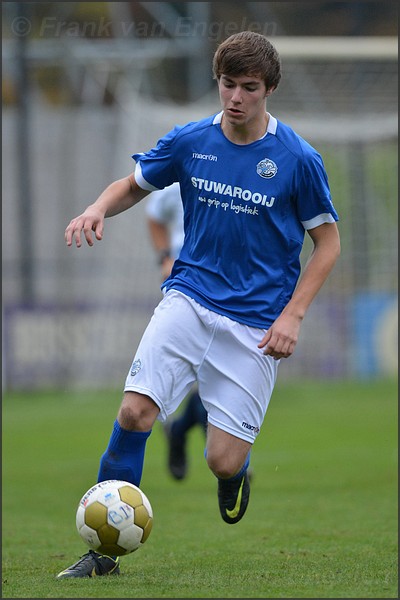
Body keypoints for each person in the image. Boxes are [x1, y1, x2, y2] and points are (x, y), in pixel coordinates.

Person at [57, 31, 340, 579]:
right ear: (219, 82)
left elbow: (327, 243)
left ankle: (235, 470)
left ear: (269, 90)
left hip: (256, 325)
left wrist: (293, 315)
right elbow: (135, 186)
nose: (236, 97)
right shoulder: (191, 141)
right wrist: (96, 207)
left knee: (221, 459)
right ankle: (104, 555)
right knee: (135, 411)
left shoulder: (297, 159)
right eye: (228, 84)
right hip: (188, 299)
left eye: (249, 87)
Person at [146, 182, 208, 480]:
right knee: (204, 376)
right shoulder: (178, 177)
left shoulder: (238, 168)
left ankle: (179, 430)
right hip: (184, 285)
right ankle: (231, 468)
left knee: (214, 378)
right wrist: (165, 257)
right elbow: (154, 214)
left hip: (227, 285)